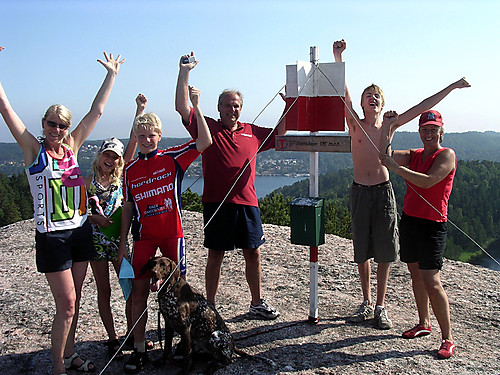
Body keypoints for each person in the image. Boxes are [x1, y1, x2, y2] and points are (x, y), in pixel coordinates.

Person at [0, 46, 123, 375]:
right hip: (53, 236)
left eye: (62, 125)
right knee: (67, 304)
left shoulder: (71, 147)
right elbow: (4, 106)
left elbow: (95, 112)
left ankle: (69, 356)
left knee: (75, 301)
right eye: (52, 124)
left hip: (80, 230)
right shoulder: (32, 149)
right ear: (43, 123)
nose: (57, 129)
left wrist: (111, 75)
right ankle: (58, 367)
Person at [332, 39, 470, 329]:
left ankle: (380, 306)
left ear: (383, 103)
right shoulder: (355, 124)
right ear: (361, 103)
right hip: (359, 191)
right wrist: (338, 56)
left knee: (384, 251)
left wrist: (453, 86)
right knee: (362, 251)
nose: (372, 98)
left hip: (383, 191)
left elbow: (423, 106)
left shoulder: (390, 126)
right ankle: (366, 301)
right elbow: (341, 93)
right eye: (367, 95)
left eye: (376, 96)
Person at [175, 53, 285, 320]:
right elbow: (181, 107)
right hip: (216, 203)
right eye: (227, 105)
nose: (231, 110)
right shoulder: (207, 128)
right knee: (216, 256)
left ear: (241, 108)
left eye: (235, 105)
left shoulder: (253, 131)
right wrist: (184, 73)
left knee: (253, 254)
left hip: (247, 204)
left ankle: (256, 302)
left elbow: (279, 133)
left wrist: (288, 105)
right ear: (219, 107)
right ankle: (210, 305)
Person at [118, 85, 212, 373]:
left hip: (173, 233)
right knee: (138, 294)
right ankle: (138, 348)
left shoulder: (172, 158)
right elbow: (129, 208)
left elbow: (204, 141)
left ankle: (187, 346)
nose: (146, 140)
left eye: (151, 135)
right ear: (136, 138)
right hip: (144, 237)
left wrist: (196, 106)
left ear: (159, 136)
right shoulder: (130, 170)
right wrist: (123, 242)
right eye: (141, 136)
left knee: (178, 291)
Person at [379, 109, 458, 359]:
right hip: (411, 220)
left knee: (431, 280)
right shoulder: (415, 154)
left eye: (433, 129)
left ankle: (448, 338)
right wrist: (388, 127)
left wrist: (395, 168)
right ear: (420, 131)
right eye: (425, 129)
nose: (429, 133)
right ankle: (424, 323)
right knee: (415, 275)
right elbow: (385, 155)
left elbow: (428, 181)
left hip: (432, 224)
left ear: (441, 132)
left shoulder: (446, 155)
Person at [84, 94, 145, 359]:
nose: (112, 160)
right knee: (104, 291)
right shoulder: (87, 181)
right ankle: (112, 337)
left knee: (130, 289)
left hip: (120, 242)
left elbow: (132, 142)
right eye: (107, 155)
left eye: (116, 157)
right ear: (100, 156)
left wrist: (139, 109)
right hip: (95, 242)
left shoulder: (122, 179)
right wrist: (92, 218)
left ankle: (132, 334)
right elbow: (76, 213)